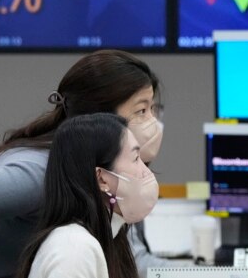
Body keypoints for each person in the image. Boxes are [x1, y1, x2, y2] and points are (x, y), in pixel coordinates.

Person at [0, 50, 175, 278]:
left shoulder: (102, 174)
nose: (152, 123)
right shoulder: (42, 176)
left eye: (152, 109)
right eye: (142, 111)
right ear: (99, 117)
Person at [16, 112, 158, 278]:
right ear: (101, 178)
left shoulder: (107, 238)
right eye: (135, 158)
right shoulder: (74, 249)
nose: (145, 171)